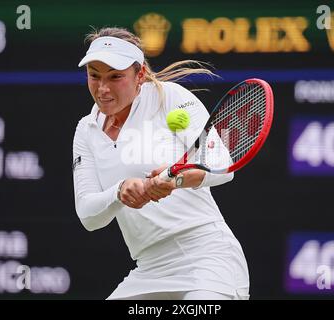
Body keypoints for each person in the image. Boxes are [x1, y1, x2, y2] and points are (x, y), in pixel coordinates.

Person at [72, 27, 249, 300]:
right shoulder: (86, 130)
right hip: (150, 269)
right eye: (94, 76)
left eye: (115, 77)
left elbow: (222, 166)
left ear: (139, 74)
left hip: (210, 259)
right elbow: (88, 216)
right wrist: (119, 192)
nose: (103, 88)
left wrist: (174, 180)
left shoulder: (171, 97)